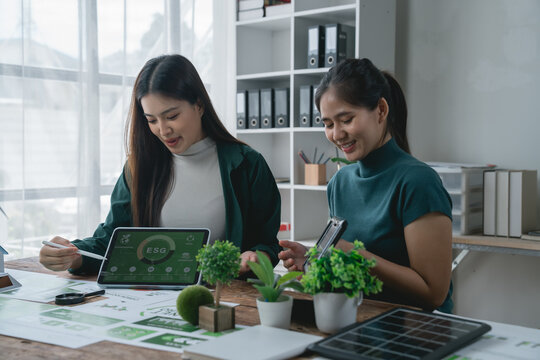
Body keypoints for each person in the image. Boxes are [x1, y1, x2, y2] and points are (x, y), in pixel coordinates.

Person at [40, 54, 281, 276]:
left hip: (222, 298)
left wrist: (256, 257)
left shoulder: (247, 164)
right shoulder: (138, 167)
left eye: (172, 116)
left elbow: (266, 243)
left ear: (199, 105)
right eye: (151, 120)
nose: (163, 131)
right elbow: (113, 240)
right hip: (149, 296)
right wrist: (71, 254)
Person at [279, 58, 453, 313]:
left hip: (417, 331)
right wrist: (314, 260)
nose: (337, 134)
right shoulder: (340, 182)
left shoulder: (418, 182)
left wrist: (359, 258)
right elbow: (345, 264)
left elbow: (433, 294)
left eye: (346, 119)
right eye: (328, 124)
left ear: (381, 110)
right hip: (357, 321)